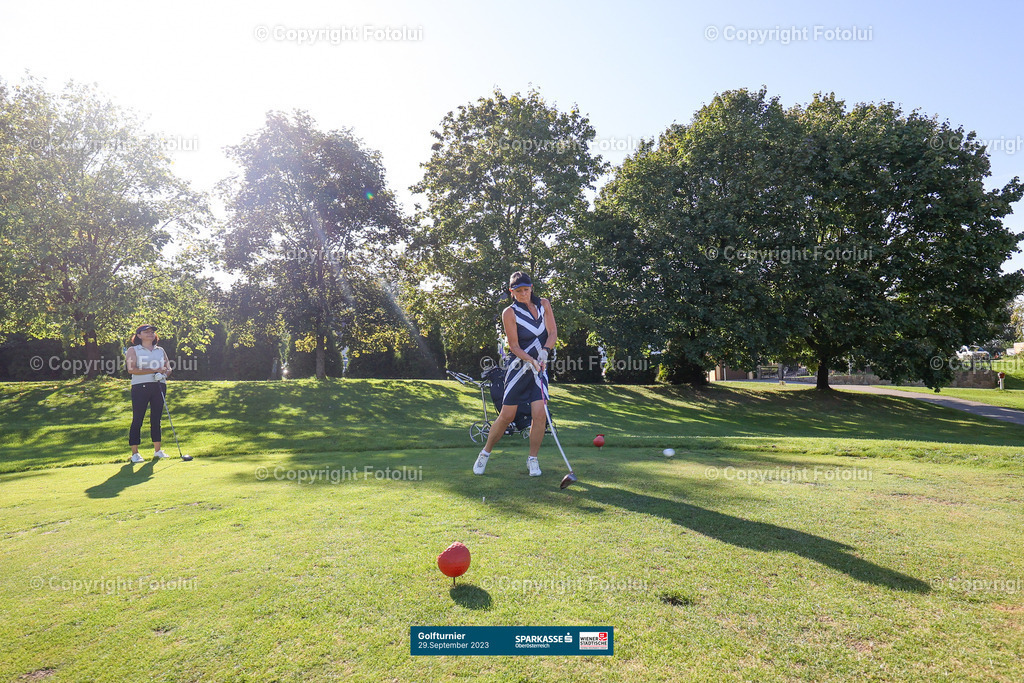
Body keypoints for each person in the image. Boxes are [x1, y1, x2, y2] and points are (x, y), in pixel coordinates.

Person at [473, 272, 558, 477]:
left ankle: (533, 460)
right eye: (518, 291)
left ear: (531, 288)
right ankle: (485, 453)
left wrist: (544, 352)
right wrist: (530, 360)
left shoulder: (544, 304)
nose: (523, 294)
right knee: (506, 416)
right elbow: (514, 346)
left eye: (526, 290)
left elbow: (552, 333)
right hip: (519, 368)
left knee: (539, 416)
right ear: (512, 292)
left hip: (540, 368)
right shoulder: (509, 313)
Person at [125, 324, 173, 463]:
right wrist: (154, 370)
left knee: (156, 418)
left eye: (152, 332)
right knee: (138, 418)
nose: (150, 333)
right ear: (138, 335)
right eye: (146, 332)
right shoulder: (133, 350)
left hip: (159, 385)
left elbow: (168, 367)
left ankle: (158, 451)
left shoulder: (160, 350)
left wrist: (164, 373)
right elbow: (131, 369)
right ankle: (135, 453)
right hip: (140, 386)